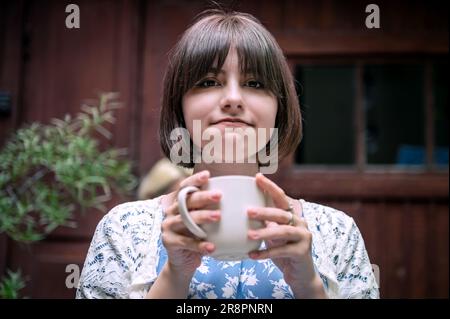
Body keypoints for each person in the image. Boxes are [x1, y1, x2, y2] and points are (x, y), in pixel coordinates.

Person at [76, 9, 379, 299]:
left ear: (280, 108)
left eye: (254, 83)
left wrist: (309, 285)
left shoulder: (336, 232)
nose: (233, 99)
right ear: (179, 107)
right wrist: (174, 275)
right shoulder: (123, 230)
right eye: (208, 82)